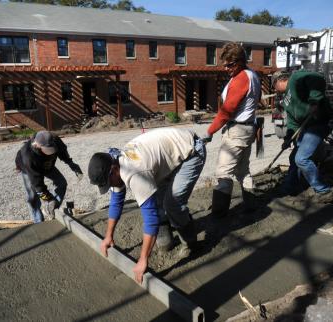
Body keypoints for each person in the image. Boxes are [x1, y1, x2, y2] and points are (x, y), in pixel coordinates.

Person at [87, 127, 208, 284]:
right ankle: (167, 238)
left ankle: (191, 243)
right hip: (167, 152)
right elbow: (116, 201)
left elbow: (151, 219)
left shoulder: (134, 172)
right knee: (156, 198)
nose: (110, 185)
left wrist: (143, 259)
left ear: (113, 170)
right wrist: (108, 236)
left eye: (109, 182)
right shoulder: (116, 164)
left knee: (172, 204)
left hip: (191, 151)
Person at [273, 70, 333, 202]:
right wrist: (288, 139)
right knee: (294, 157)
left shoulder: (295, 78)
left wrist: (314, 101)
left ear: (279, 81)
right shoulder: (286, 100)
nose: (275, 90)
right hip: (307, 127)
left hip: (319, 123)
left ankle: (323, 190)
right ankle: (290, 186)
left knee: (301, 159)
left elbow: (317, 78)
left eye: (274, 86)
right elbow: (292, 122)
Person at [206, 42, 261, 217]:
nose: (226, 68)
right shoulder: (252, 75)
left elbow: (227, 110)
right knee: (243, 170)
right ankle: (251, 205)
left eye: (230, 65)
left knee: (224, 172)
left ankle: (218, 215)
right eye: (224, 65)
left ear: (240, 61)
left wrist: (210, 131)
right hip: (247, 128)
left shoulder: (242, 78)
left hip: (237, 130)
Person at [15, 130, 82, 223]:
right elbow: (38, 184)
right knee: (33, 196)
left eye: (51, 148)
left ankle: (50, 209)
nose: (50, 151)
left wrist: (71, 164)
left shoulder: (53, 139)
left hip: (47, 164)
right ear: (36, 145)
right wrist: (48, 198)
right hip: (29, 169)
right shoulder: (28, 156)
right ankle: (38, 221)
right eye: (47, 149)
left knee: (62, 183)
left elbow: (62, 151)